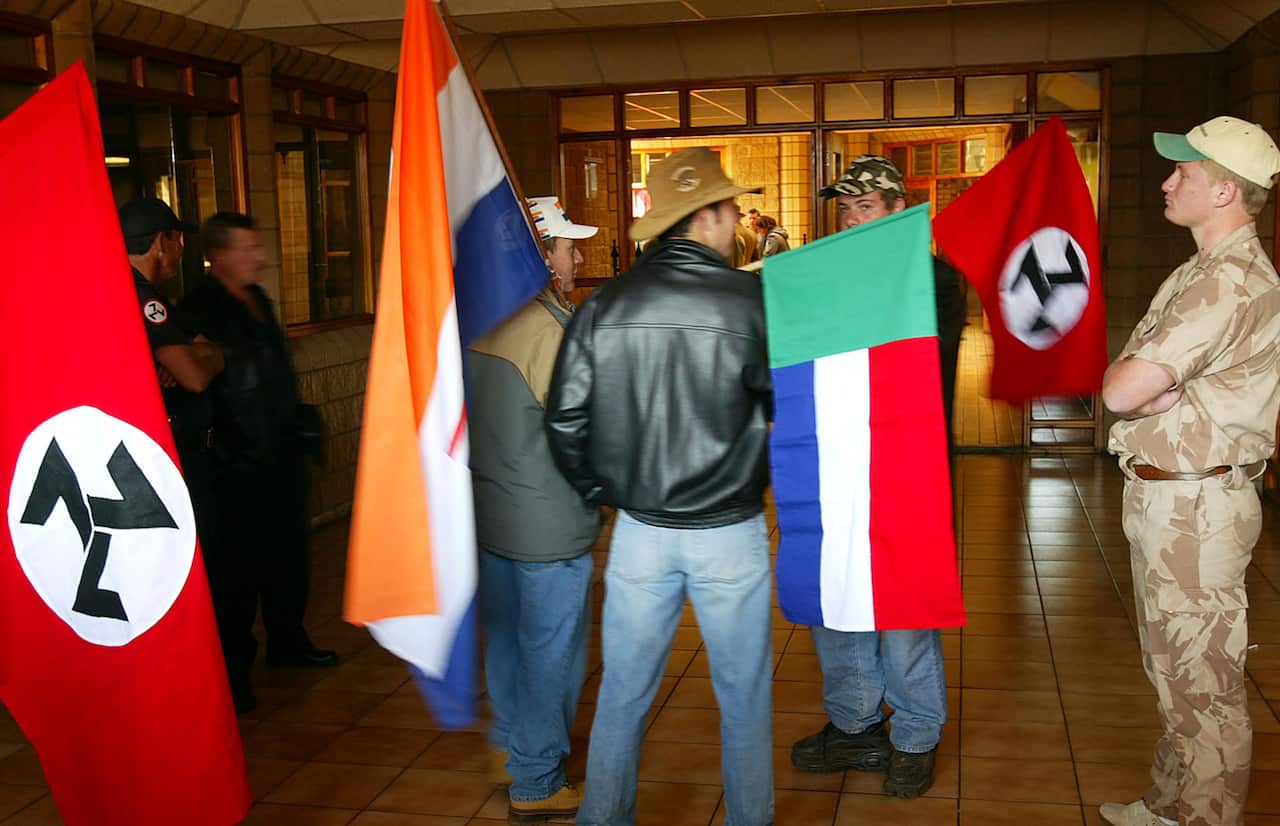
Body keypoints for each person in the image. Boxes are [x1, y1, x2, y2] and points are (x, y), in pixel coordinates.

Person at [546, 147, 774, 826]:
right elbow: (787, 410)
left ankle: (604, 818)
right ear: (702, 217)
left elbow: (564, 420)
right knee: (744, 696)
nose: (736, 216)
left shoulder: (604, 304)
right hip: (730, 532)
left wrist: (601, 492)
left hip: (640, 534)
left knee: (623, 691)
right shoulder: (754, 301)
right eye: (730, 206)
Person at [1099, 117, 1280, 826]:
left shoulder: (1227, 283)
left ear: (1226, 190)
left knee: (1204, 685)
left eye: (1185, 173)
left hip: (1196, 510)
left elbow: (1118, 390)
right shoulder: (1199, 270)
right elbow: (1133, 381)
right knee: (1175, 673)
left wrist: (1139, 386)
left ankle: (1204, 819)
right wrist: (1142, 385)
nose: (1168, 181)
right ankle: (1173, 806)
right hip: (1173, 500)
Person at [790, 154, 965, 799]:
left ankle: (915, 735)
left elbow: (915, 359)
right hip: (837, 469)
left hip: (910, 474)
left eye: (866, 208)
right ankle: (855, 724)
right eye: (846, 209)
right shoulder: (824, 278)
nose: (852, 219)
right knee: (836, 598)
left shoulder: (936, 282)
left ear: (900, 214)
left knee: (904, 608)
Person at [469, 196, 602, 823]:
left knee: (506, 640)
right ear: (539, 258)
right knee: (552, 649)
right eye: (568, 246)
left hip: (491, 516)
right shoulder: (551, 333)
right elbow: (586, 431)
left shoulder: (474, 321)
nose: (578, 255)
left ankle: (509, 748)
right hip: (548, 527)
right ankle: (537, 777)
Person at [178, 211, 337, 714]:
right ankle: (235, 672)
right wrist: (226, 451)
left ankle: (289, 640)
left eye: (258, 246)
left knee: (290, 557)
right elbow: (200, 388)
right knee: (237, 573)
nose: (259, 257)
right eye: (247, 248)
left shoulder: (261, 301)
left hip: (280, 454)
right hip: (235, 465)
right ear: (218, 255)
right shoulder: (198, 309)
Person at [120, 197, 225, 620]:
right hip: (172, 460)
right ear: (160, 243)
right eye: (177, 238)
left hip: (161, 458)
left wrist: (198, 354)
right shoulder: (145, 300)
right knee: (203, 573)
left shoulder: (137, 294)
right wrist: (207, 357)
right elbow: (195, 373)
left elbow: (196, 353)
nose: (181, 249)